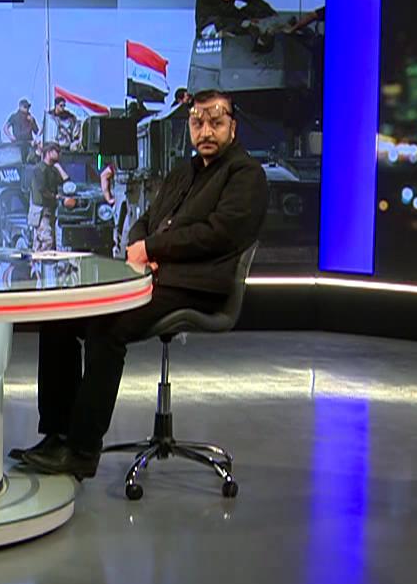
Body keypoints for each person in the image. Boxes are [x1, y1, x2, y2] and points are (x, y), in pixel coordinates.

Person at [15, 89, 267, 478]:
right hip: (155, 276)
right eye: (198, 123)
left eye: (216, 123)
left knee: (106, 326)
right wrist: (139, 246)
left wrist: (153, 248)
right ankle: (57, 435)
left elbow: (218, 235)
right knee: (60, 316)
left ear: (232, 127)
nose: (206, 132)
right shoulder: (184, 172)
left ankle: (82, 451)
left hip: (197, 285)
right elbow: (144, 219)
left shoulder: (245, 175)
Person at [28, 144, 63, 251]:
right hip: (41, 211)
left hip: (50, 211)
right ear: (48, 153)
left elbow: (65, 181)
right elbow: (42, 189)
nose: (59, 154)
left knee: (39, 243)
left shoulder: (53, 170)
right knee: (48, 241)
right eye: (56, 151)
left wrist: (59, 167)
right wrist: (54, 196)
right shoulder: (39, 169)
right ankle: (42, 258)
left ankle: (37, 260)